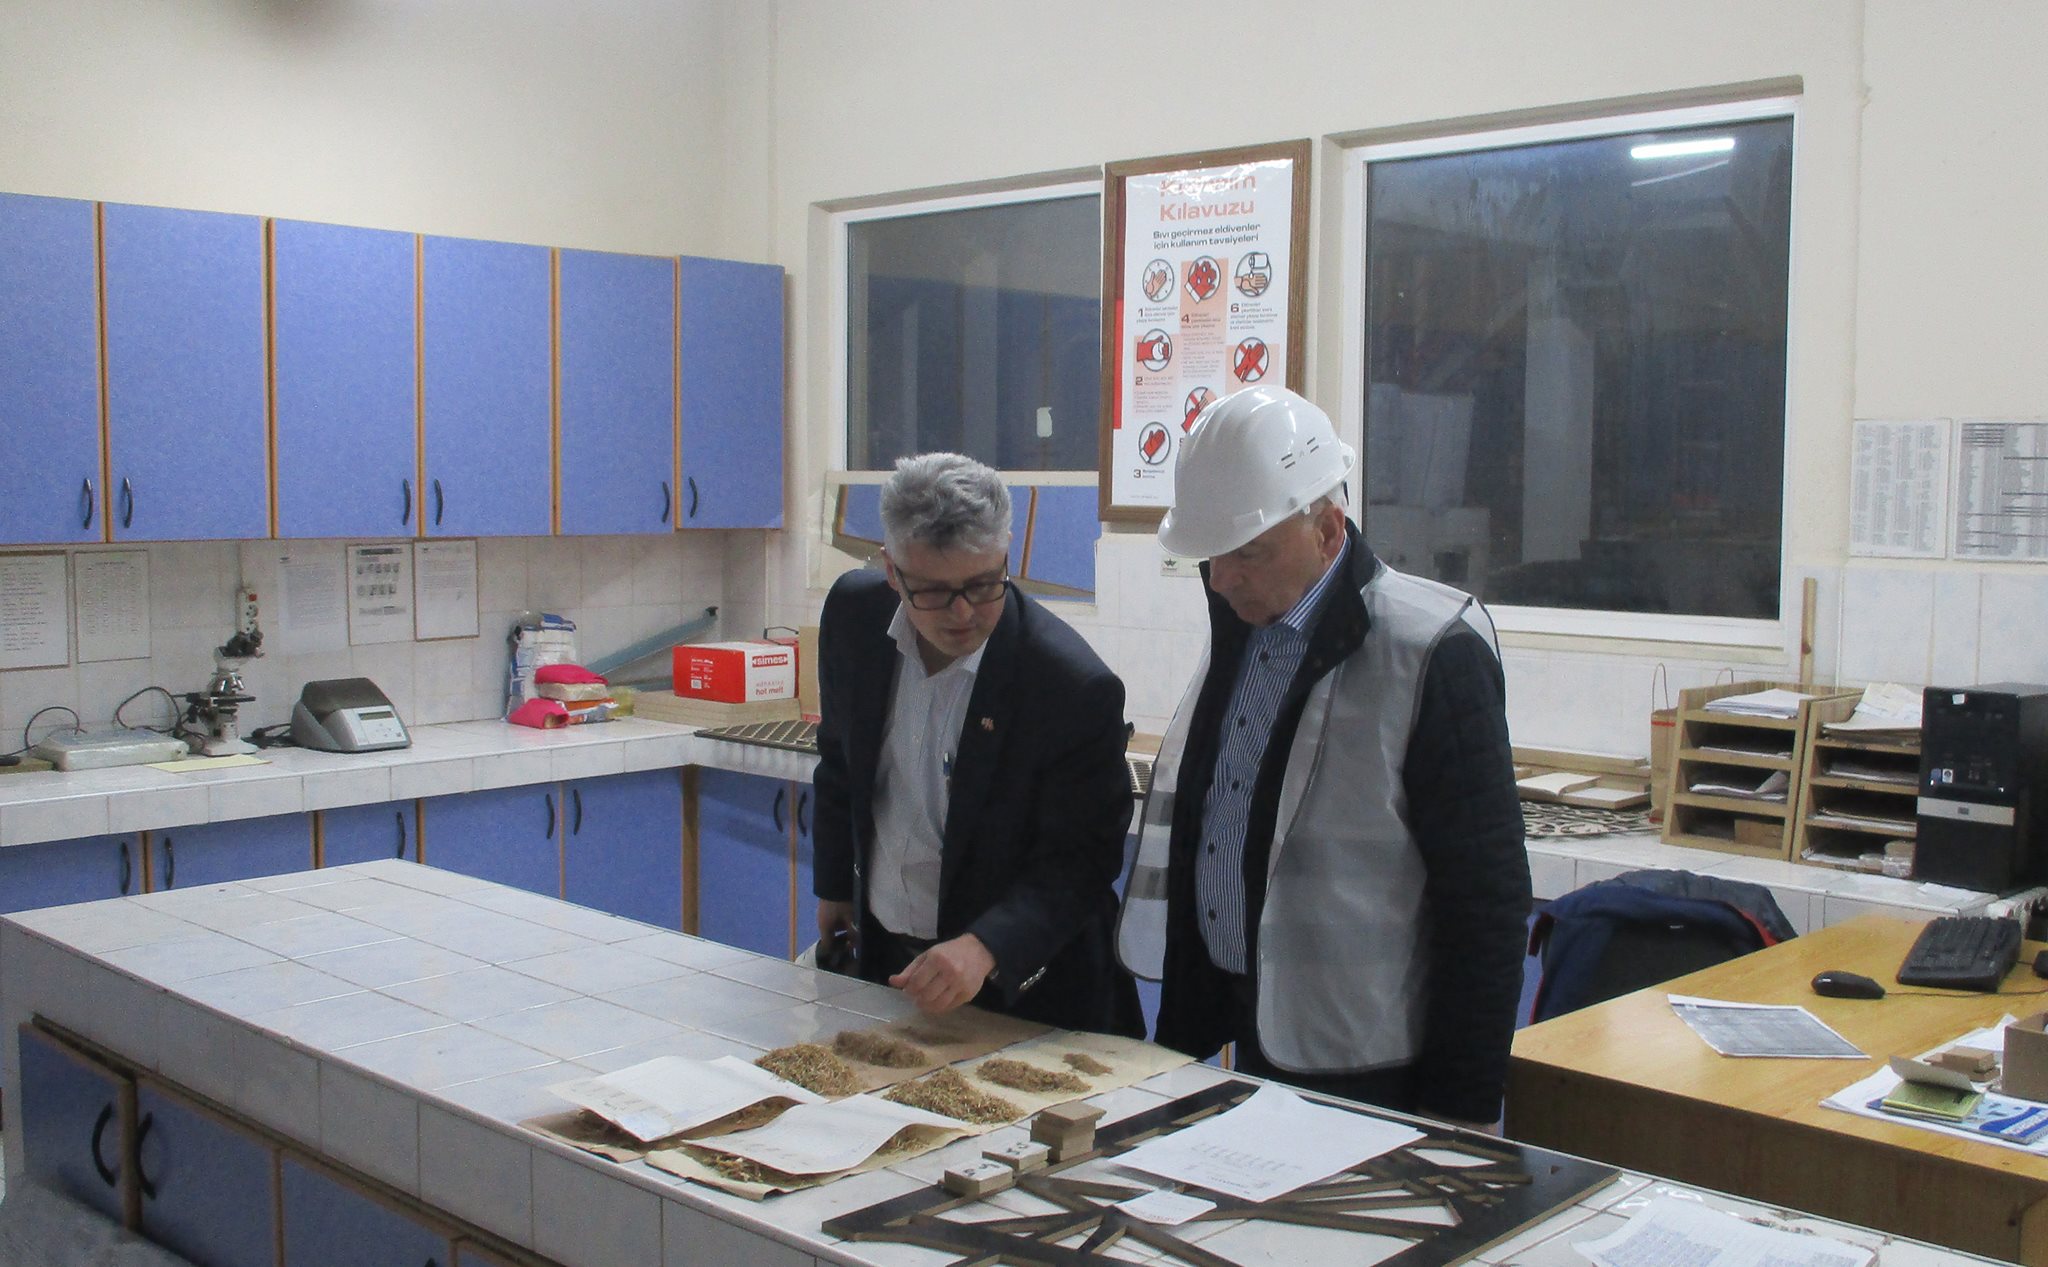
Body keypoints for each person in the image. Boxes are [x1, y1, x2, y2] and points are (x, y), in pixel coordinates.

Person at [1118, 385, 1530, 1126]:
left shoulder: (1432, 650)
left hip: (1365, 1055)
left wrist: (1462, 1110)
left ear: (1328, 529)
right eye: (1211, 555)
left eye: (1248, 553)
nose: (1222, 578)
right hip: (1241, 1021)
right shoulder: (1243, 625)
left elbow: (1487, 900)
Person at [812, 452, 1143, 1036]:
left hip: (1029, 988)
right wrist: (836, 886)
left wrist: (986, 945)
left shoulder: (1068, 684)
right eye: (934, 591)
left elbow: (1082, 861)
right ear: (892, 571)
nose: (963, 613)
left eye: (983, 584)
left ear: (1006, 553)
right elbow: (840, 758)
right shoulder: (854, 616)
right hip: (891, 958)